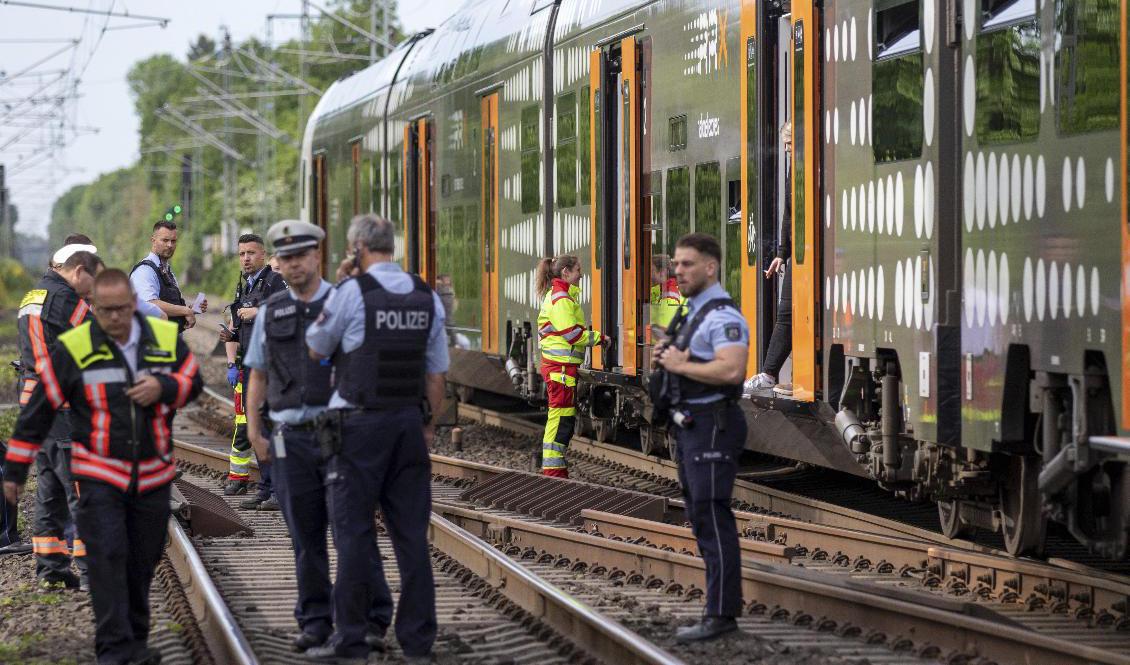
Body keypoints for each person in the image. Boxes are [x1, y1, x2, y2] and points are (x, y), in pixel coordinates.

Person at [4, 269, 203, 665]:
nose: (114, 318)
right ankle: (115, 649)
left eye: (122, 310)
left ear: (134, 305)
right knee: (108, 558)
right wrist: (14, 471)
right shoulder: (75, 347)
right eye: (106, 310)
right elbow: (38, 411)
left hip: (152, 477)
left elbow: (191, 381)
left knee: (141, 562)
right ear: (93, 307)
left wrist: (163, 388)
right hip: (99, 477)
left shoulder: (162, 339)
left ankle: (134, 642)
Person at [243, 220, 393, 654]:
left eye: (300, 256)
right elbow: (258, 373)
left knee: (355, 531)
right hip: (290, 436)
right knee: (305, 536)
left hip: (342, 434)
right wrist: (254, 430)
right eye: (285, 257)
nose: (293, 264)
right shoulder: (272, 310)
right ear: (280, 262)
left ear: (316, 257)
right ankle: (314, 621)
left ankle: (372, 618)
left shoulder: (347, 302)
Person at [304, 214, 447, 664]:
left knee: (352, 534)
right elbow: (437, 376)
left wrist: (345, 281)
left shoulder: (352, 292)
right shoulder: (427, 296)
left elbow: (316, 346)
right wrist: (426, 427)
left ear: (359, 247)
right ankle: (418, 643)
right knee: (411, 538)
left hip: (358, 429)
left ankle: (351, 641)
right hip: (407, 425)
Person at [653, 233, 749, 643]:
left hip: (713, 423)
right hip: (692, 425)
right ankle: (716, 610)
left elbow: (731, 370)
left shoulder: (723, 316)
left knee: (712, 515)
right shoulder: (692, 312)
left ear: (710, 267)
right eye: (676, 263)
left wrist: (679, 363)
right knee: (701, 517)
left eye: (687, 264)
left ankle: (722, 615)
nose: (678, 271)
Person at [12, 249, 104, 588]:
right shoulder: (69, 302)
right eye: (92, 282)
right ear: (80, 272)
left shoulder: (32, 295)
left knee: (49, 487)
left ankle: (51, 568)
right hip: (63, 407)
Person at [220, 233, 288, 504]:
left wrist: (258, 313)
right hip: (251, 366)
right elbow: (245, 326)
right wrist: (232, 337)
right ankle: (266, 488)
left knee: (273, 429)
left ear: (262, 254)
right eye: (241, 254)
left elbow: (287, 311)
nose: (245, 258)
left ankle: (279, 490)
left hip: (272, 368)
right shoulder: (246, 286)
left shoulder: (274, 281)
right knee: (257, 428)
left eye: (250, 253)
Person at [534, 255, 606, 478]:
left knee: (563, 419)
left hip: (562, 370)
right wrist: (600, 338)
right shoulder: (561, 299)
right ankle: (554, 473)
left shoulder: (560, 297)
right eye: (578, 270)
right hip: (560, 370)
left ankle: (556, 470)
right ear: (565, 272)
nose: (581, 274)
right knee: (559, 419)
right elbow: (572, 334)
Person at [745, 122, 793, 396]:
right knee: (787, 314)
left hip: (806, 254)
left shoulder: (806, 167)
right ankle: (771, 374)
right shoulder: (794, 169)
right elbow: (789, 213)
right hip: (797, 255)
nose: (786, 149)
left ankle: (768, 375)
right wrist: (781, 254)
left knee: (787, 314)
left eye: (789, 143)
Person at [130, 220, 207, 331]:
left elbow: (170, 304)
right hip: (151, 342)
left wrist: (192, 309)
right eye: (165, 240)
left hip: (166, 338)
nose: (170, 245)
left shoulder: (166, 270)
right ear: (153, 240)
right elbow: (149, 304)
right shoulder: (144, 271)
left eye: (173, 241)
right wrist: (185, 311)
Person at [649, 254, 682, 339]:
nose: (648, 275)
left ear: (662, 272)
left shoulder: (670, 295)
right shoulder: (657, 293)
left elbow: (666, 334)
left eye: (651, 271)